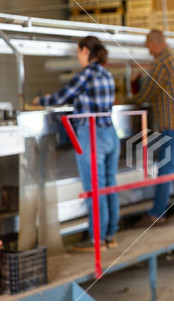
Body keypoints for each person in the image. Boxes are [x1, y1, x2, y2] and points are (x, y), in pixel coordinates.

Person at [32, 36, 120, 252]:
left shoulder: (85, 75)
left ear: (84, 51)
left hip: (92, 135)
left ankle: (97, 241)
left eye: (78, 52)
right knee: (109, 186)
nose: (78, 57)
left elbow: (61, 97)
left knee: (94, 189)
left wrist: (40, 101)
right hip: (110, 133)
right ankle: (110, 236)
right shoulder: (107, 74)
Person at [129, 29, 174, 228]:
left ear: (154, 43)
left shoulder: (162, 61)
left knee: (167, 168)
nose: (147, 50)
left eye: (147, 45)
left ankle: (157, 213)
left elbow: (149, 92)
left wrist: (129, 100)